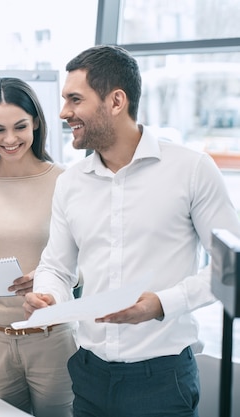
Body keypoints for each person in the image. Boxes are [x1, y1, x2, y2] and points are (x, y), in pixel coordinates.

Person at [23, 45, 240, 417]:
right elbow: (56, 267)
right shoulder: (71, 182)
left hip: (162, 379)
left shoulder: (191, 169)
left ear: (116, 101)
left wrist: (162, 304)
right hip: (89, 373)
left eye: (75, 99)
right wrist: (47, 296)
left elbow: (230, 268)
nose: (63, 113)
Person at [0, 77, 76, 416]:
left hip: (51, 336)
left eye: (20, 126)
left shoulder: (66, 182)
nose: (10, 139)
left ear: (36, 122)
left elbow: (83, 262)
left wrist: (48, 276)